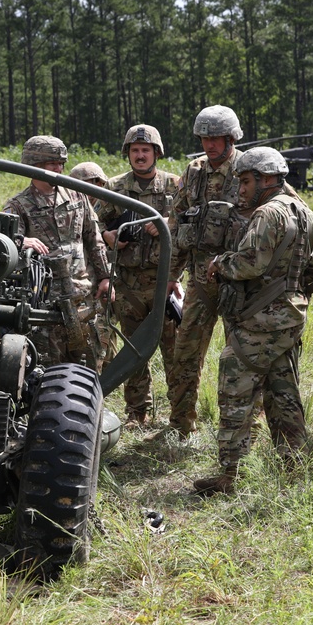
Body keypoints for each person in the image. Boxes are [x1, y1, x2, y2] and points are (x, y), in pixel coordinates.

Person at [195, 148, 313, 494]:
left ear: (268, 180)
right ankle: (293, 466)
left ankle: (231, 474)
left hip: (257, 322)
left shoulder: (268, 214)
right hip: (289, 318)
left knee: (234, 392)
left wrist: (219, 264)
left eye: (247, 181)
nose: (241, 188)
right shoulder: (307, 213)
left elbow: (250, 263)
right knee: (284, 393)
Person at [163, 105, 246, 439]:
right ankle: (181, 426)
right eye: (205, 138)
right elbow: (179, 220)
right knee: (184, 353)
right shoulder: (194, 170)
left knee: (240, 359)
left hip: (239, 282)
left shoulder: (250, 168)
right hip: (199, 280)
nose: (210, 144)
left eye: (217, 138)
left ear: (231, 138)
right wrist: (171, 275)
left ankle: (242, 431)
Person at [94, 125, 180, 429]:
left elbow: (193, 222)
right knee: (133, 351)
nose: (140, 155)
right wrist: (108, 235)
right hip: (128, 283)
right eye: (134, 151)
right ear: (128, 154)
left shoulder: (175, 185)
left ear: (156, 153)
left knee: (175, 352)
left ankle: (180, 416)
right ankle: (137, 413)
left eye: (145, 150)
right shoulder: (113, 187)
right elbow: (90, 222)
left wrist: (169, 222)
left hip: (165, 282)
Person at [3, 136, 112, 369]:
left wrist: (104, 277)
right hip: (45, 303)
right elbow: (4, 245)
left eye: (61, 163)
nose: (59, 169)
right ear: (34, 165)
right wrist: (21, 241)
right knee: (49, 366)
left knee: (91, 362)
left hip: (82, 295)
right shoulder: (18, 205)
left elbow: (93, 237)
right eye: (52, 164)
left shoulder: (77, 195)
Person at [70, 161, 118, 371]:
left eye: (97, 185)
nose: (92, 191)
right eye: (86, 185)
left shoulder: (111, 206)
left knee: (108, 341)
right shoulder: (70, 211)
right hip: (84, 289)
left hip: (111, 285)